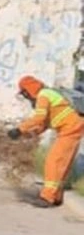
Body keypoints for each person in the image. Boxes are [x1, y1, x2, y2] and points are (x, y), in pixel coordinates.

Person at [7, 74, 84, 208]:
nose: (26, 98)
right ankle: (56, 196)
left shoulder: (43, 95)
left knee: (54, 161)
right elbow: (46, 122)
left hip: (70, 129)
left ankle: (47, 198)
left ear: (28, 90)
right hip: (72, 127)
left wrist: (19, 129)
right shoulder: (48, 94)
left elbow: (39, 118)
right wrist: (32, 134)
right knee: (61, 164)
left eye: (25, 94)